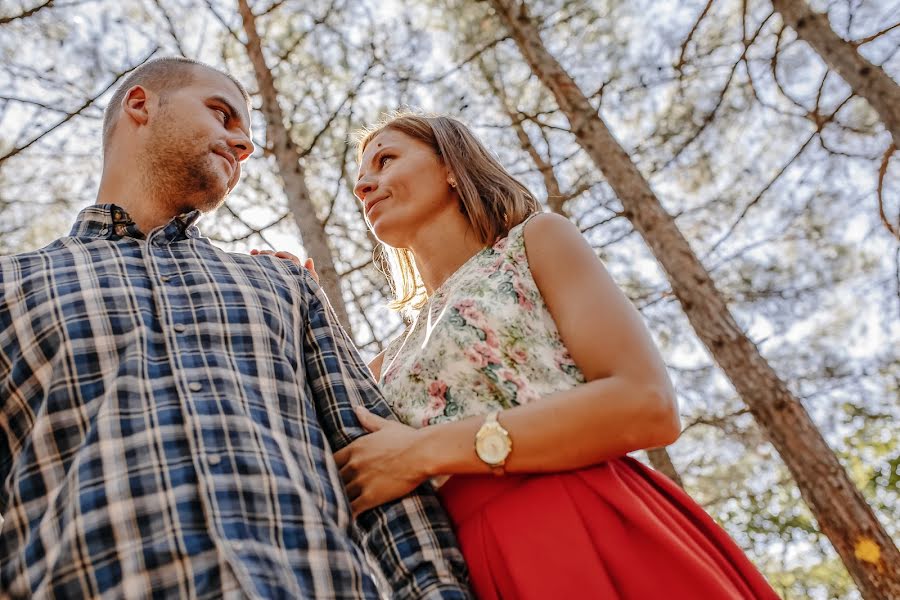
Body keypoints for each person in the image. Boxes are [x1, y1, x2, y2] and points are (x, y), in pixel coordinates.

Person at [0, 59, 470, 599]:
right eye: (221, 113)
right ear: (140, 105)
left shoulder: (282, 282)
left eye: (246, 136)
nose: (241, 144)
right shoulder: (11, 286)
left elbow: (378, 460)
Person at [330, 112, 780, 599]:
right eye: (361, 176)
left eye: (385, 159)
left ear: (451, 166)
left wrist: (424, 451)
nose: (364, 185)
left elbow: (646, 402)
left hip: (582, 517)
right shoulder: (381, 364)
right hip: (463, 571)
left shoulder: (534, 242)